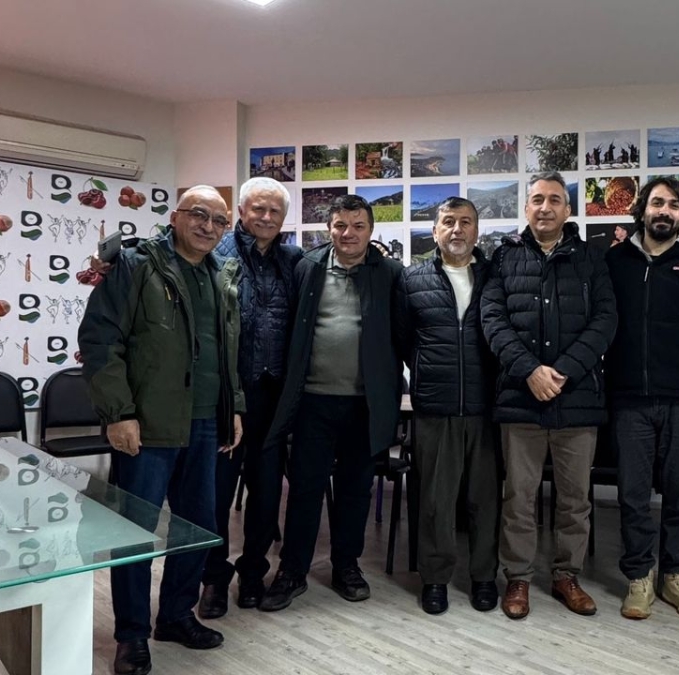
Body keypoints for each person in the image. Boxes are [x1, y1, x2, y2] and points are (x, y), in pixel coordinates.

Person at [79, 186, 244, 675]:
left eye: (219, 220)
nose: (208, 227)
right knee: (134, 533)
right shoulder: (136, 265)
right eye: (199, 215)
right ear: (175, 217)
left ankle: (175, 616)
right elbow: (100, 340)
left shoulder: (221, 274)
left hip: (206, 424)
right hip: (147, 425)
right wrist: (118, 413)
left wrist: (233, 407)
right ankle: (131, 634)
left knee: (198, 530)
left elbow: (227, 352)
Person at [258, 194, 406, 612]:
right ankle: (292, 571)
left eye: (358, 226)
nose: (348, 234)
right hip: (313, 402)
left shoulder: (390, 273)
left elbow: (402, 335)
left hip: (365, 405)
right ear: (329, 229)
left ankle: (346, 566)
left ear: (371, 230)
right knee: (304, 489)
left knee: (356, 490)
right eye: (340, 225)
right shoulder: (307, 266)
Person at [480, 171, 617, 620]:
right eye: (537, 199)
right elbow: (493, 320)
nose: (545, 207)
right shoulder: (504, 257)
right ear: (526, 208)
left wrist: (563, 371)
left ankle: (566, 575)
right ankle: (518, 578)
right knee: (518, 498)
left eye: (554, 199)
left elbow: (605, 321)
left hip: (576, 398)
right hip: (520, 398)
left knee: (575, 499)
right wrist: (529, 371)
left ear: (567, 209)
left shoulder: (591, 258)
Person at [605, 177, 679, 621]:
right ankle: (639, 576)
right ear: (643, 210)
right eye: (657, 202)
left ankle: (677, 575)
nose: (664, 211)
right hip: (628, 397)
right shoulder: (616, 261)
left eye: (673, 205)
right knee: (633, 494)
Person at [198, 177, 304, 617]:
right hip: (225, 397)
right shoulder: (214, 252)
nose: (266, 217)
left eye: (274, 211)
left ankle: (254, 572)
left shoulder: (294, 261)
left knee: (265, 494)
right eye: (258, 208)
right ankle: (213, 579)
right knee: (216, 495)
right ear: (240, 211)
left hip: (272, 398)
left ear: (284, 218)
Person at [398, 197, 501, 615]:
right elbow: (403, 339)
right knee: (435, 502)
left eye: (465, 222)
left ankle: (484, 577)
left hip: (486, 407)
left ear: (477, 230)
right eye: (448, 222)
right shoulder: (412, 279)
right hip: (435, 406)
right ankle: (435, 579)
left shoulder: (495, 276)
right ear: (435, 230)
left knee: (485, 501)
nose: (457, 229)